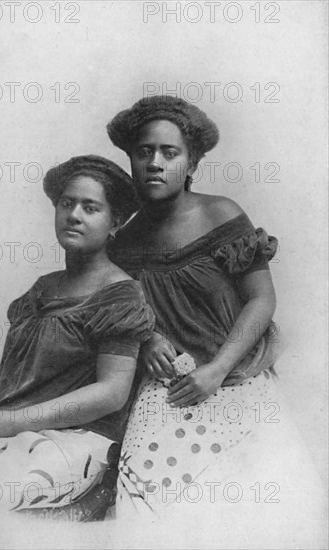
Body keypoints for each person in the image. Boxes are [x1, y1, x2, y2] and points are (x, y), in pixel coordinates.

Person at [106, 96, 310, 519]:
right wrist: (147, 340)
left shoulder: (220, 214)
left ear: (192, 163)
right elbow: (119, 312)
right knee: (147, 504)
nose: (155, 163)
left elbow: (262, 299)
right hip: (168, 387)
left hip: (234, 373)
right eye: (144, 152)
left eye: (170, 152)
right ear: (130, 161)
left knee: (265, 500)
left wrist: (216, 370)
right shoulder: (122, 242)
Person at [0, 155, 155, 521]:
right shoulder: (43, 287)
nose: (74, 215)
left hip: (74, 439)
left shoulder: (119, 295)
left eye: (91, 208)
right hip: (11, 427)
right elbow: (12, 365)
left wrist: (15, 422)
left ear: (115, 222)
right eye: (66, 203)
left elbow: (112, 392)